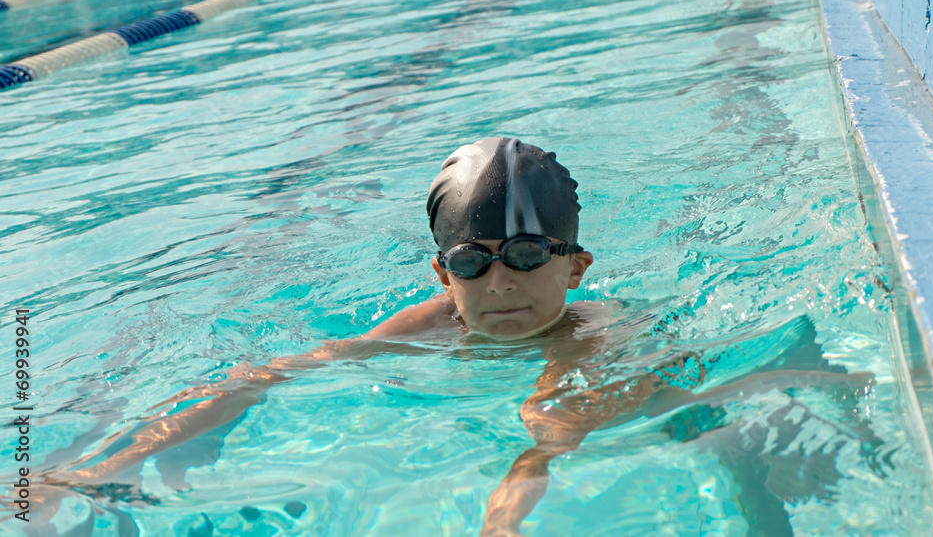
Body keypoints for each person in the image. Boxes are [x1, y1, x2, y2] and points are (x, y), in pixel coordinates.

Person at [33, 137, 873, 536]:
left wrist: (497, 527)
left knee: (720, 430)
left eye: (529, 255)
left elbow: (540, 447)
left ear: (575, 267)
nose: (501, 283)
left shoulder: (585, 335)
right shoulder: (431, 322)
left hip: (637, 377)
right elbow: (269, 373)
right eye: (473, 263)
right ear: (443, 276)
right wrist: (95, 469)